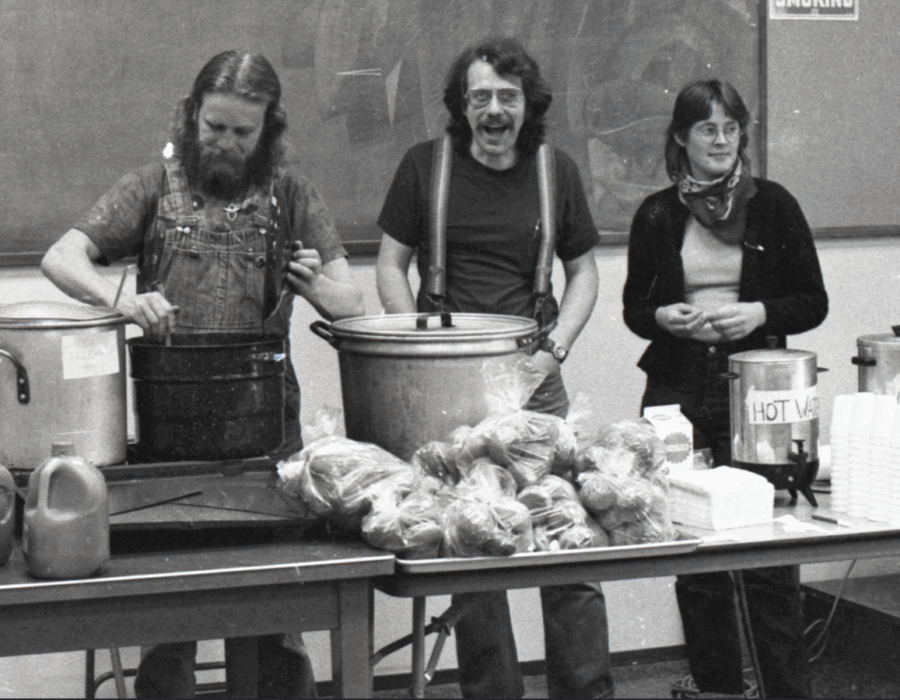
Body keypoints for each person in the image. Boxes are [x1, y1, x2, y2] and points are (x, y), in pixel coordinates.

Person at [41, 51, 365, 698]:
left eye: (243, 133)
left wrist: (320, 291)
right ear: (191, 118)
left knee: (276, 619)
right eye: (214, 127)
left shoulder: (293, 195)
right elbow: (61, 257)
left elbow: (350, 301)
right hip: (172, 448)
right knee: (171, 620)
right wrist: (121, 301)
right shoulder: (150, 188)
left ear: (269, 131)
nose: (225, 143)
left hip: (268, 444)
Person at [376, 37, 611, 699]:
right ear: (462, 105)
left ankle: (587, 690)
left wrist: (554, 347)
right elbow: (391, 265)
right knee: (473, 545)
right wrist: (414, 338)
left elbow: (585, 273)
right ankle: (492, 692)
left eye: (507, 97)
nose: (494, 109)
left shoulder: (554, 170)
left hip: (536, 381)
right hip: (448, 387)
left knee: (568, 540)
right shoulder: (426, 167)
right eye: (479, 97)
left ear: (526, 103)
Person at [623, 79, 828, 699]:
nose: (720, 140)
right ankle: (717, 689)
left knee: (767, 557)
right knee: (695, 554)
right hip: (678, 391)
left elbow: (813, 301)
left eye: (730, 128)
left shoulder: (774, 205)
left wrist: (760, 313)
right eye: (706, 128)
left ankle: (787, 692)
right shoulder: (657, 212)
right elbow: (636, 308)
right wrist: (665, 318)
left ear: (742, 136)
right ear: (681, 138)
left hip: (758, 392)